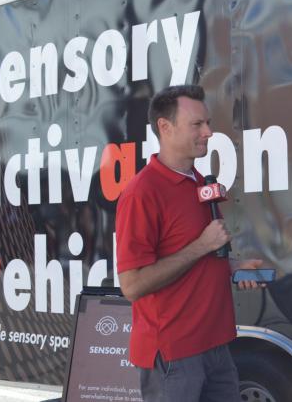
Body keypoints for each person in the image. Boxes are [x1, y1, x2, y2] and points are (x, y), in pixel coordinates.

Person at [116, 85, 263, 402]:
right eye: (197, 124)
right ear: (165, 128)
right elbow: (132, 285)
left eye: (207, 122)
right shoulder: (142, 193)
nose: (209, 132)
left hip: (216, 346)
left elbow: (202, 259)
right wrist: (202, 245)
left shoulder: (199, 182)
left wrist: (234, 268)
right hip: (175, 357)